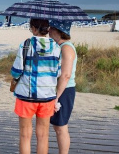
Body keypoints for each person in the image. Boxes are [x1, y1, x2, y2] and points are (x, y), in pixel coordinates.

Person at [11, 19, 61, 154]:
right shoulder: (57, 47)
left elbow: (16, 71)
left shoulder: (26, 45)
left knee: (25, 135)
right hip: (47, 97)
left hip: (26, 97)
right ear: (48, 29)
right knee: (43, 135)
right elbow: (58, 73)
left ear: (34, 29)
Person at [49, 20, 77, 154]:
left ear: (58, 31)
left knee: (61, 126)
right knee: (57, 126)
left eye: (51, 28)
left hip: (64, 90)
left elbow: (66, 75)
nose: (49, 30)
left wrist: (56, 97)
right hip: (59, 89)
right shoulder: (59, 46)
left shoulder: (66, 48)